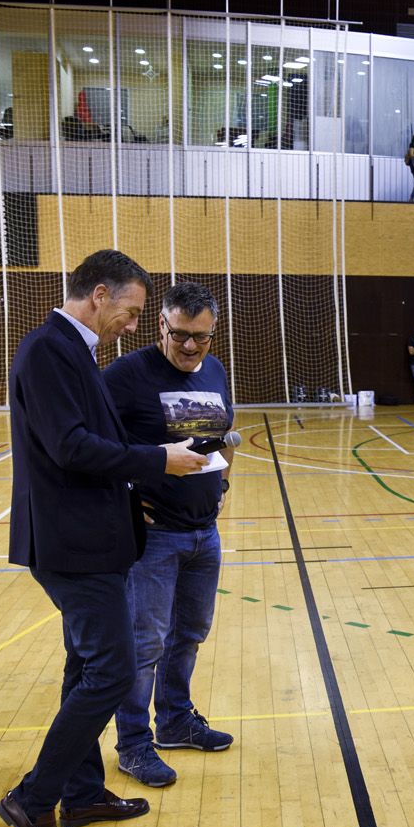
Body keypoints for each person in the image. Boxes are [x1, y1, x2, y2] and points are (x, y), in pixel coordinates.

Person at [0, 249, 207, 827]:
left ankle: (83, 793)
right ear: (98, 296)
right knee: (112, 673)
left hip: (94, 535)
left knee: (82, 668)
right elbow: (70, 448)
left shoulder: (72, 351)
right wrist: (156, 461)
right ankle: (33, 800)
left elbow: (96, 443)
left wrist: (140, 479)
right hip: (70, 545)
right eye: (134, 311)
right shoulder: (47, 350)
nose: (136, 325)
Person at [104, 281, 236, 789]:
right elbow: (92, 446)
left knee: (189, 634)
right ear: (161, 324)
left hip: (205, 532)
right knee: (144, 644)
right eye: (180, 334)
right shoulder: (125, 376)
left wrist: (224, 486)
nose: (189, 346)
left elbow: (224, 436)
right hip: (153, 538)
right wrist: (123, 495)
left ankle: (176, 721)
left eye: (200, 338)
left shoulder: (217, 370)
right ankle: (134, 745)